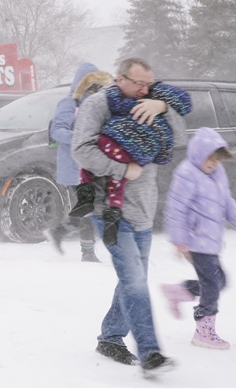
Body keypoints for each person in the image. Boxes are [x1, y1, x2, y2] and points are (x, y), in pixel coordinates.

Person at [71, 57, 186, 377]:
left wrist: (162, 108)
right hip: (107, 208)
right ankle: (150, 354)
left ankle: (110, 337)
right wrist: (123, 168)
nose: (144, 89)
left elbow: (179, 139)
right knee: (134, 280)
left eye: (148, 83)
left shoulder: (153, 100)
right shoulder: (98, 104)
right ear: (120, 79)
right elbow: (80, 149)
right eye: (138, 83)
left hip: (143, 209)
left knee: (132, 280)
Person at [160, 127, 236, 350]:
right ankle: (204, 330)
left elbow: (225, 199)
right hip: (194, 240)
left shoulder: (217, 173)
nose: (213, 164)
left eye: (217, 160)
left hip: (210, 240)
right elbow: (176, 210)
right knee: (212, 285)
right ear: (198, 154)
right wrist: (179, 242)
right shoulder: (186, 175)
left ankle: (180, 291)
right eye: (209, 159)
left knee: (220, 282)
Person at [68, 81, 191, 247]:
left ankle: (86, 195)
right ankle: (113, 212)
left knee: (90, 167)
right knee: (117, 185)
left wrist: (162, 107)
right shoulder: (162, 118)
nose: (144, 90)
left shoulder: (132, 102)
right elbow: (171, 146)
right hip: (132, 158)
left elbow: (84, 149)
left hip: (111, 143)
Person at [44, 62, 110, 262]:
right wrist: (82, 137)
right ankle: (86, 251)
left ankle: (62, 234)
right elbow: (58, 131)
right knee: (90, 206)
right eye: (90, 84)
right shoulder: (69, 103)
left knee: (90, 207)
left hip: (91, 165)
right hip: (74, 166)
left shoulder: (96, 104)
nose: (93, 88)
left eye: (96, 84)